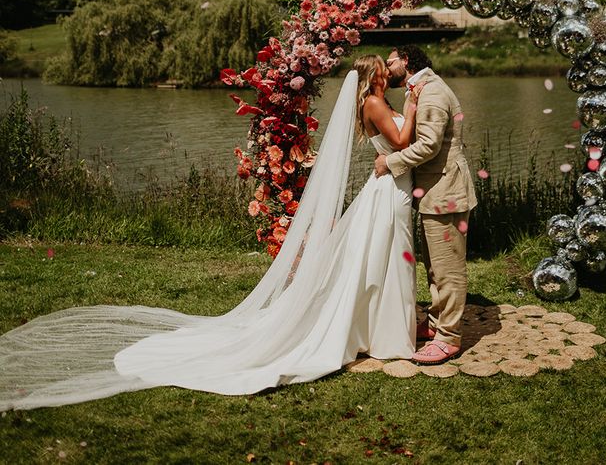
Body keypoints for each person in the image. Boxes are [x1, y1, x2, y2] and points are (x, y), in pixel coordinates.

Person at [0, 55, 422, 410]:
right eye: (385, 69)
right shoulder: (377, 105)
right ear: (374, 77)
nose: (391, 72)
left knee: (377, 258)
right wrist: (417, 105)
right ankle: (383, 331)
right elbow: (402, 140)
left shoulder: (374, 103)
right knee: (380, 256)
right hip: (387, 191)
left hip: (388, 186)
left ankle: (379, 327)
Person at [374, 45, 477, 366]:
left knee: (448, 269)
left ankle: (448, 337)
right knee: (435, 266)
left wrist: (390, 162)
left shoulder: (431, 92)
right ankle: (435, 324)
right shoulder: (419, 90)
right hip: (434, 191)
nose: (386, 68)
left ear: (405, 61)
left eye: (389, 62)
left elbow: (430, 146)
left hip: (446, 191)